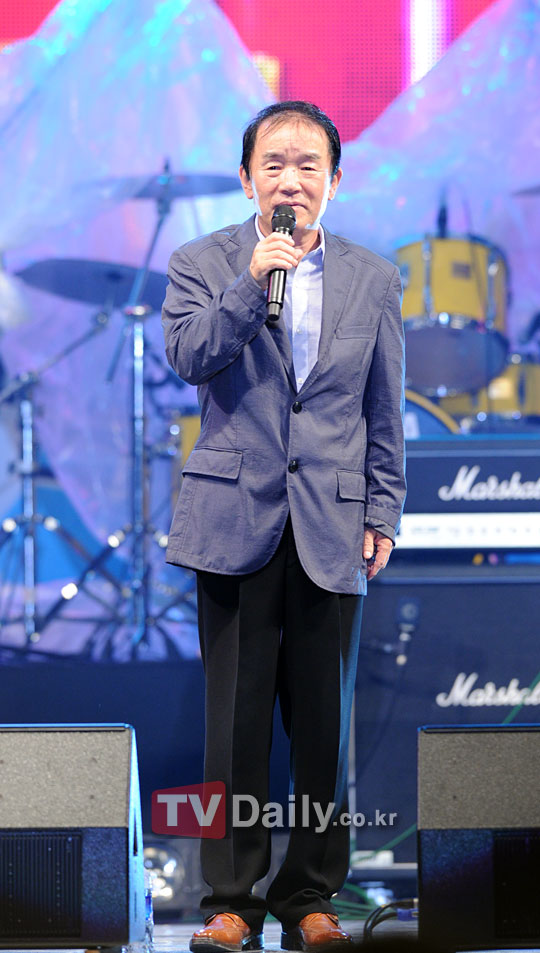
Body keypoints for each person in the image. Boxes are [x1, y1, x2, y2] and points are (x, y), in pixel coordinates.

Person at [162, 101, 406, 952]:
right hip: (233, 517)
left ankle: (310, 897)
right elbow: (189, 356)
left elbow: (384, 408)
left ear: (334, 180)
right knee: (232, 723)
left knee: (321, 728)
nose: (290, 180)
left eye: (308, 165)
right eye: (274, 164)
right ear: (246, 179)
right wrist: (249, 283)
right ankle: (231, 899)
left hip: (332, 523)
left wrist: (383, 508)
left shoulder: (375, 277)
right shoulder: (202, 262)